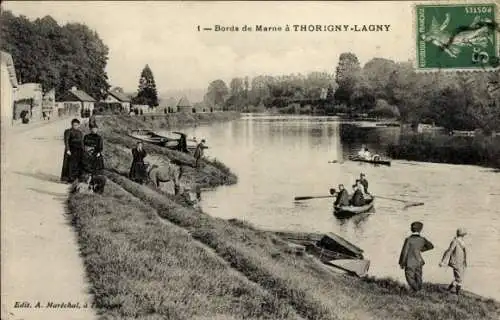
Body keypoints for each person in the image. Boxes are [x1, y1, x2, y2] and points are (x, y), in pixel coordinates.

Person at [398, 221, 434, 292]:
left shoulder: (408, 240)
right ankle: (419, 290)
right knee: (418, 277)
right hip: (419, 261)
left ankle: (417, 290)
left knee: (409, 278)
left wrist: (402, 263)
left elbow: (404, 252)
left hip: (409, 262)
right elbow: (431, 246)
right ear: (420, 230)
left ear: (411, 229)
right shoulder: (423, 239)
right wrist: (421, 250)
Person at [440, 228, 468, 295]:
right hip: (456, 262)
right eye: (463, 234)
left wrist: (465, 260)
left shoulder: (461, 241)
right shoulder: (455, 241)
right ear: (462, 234)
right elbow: (449, 251)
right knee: (459, 278)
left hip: (461, 262)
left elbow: (464, 252)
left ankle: (449, 289)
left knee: (458, 277)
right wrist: (443, 261)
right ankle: (457, 293)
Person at [61, 119, 84, 183]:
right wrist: (68, 149)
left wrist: (83, 149)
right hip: (71, 150)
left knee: (76, 164)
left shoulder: (80, 132)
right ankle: (67, 178)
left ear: (79, 125)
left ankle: (74, 178)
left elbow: (81, 142)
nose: (75, 126)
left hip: (78, 150)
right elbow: (66, 141)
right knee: (69, 164)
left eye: (77, 125)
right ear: (72, 125)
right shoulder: (68, 131)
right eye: (74, 125)